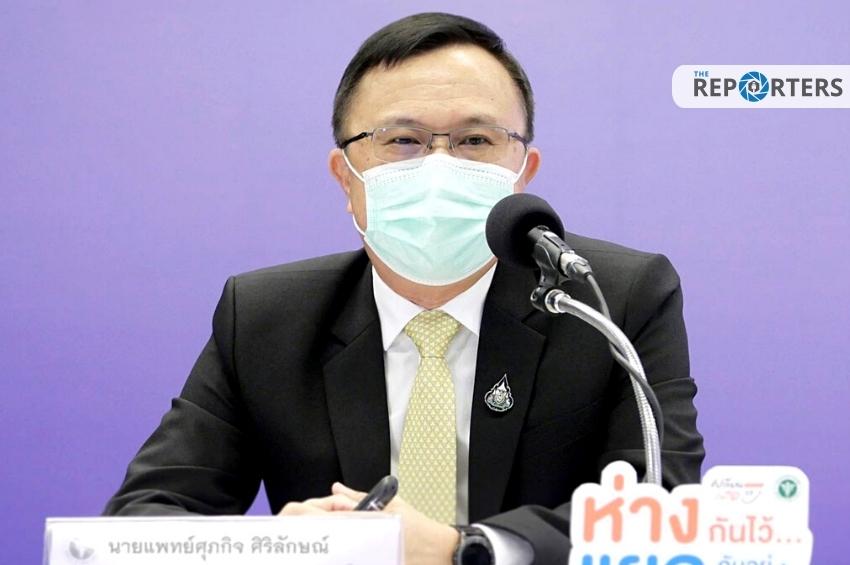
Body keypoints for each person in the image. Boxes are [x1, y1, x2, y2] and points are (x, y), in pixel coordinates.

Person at [104, 12, 704, 564]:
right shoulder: (266, 318)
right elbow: (141, 519)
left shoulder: (608, 300)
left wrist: (464, 549)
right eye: (402, 139)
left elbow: (659, 507)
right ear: (346, 179)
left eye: (475, 140)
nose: (438, 166)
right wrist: (281, 546)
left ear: (522, 173)